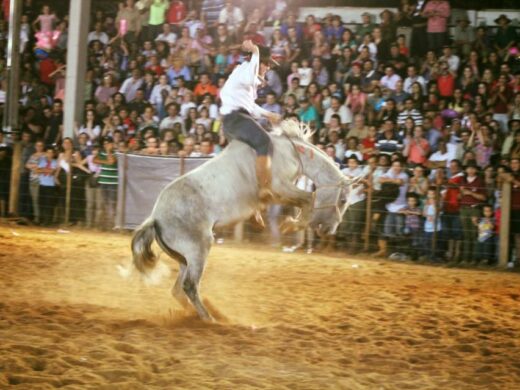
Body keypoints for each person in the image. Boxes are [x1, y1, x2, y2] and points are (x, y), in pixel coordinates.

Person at [220, 40, 281, 202]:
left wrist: (268, 114)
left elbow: (250, 107)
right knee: (265, 142)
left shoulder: (246, 76)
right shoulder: (244, 70)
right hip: (236, 119)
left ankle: (251, 204)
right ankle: (264, 189)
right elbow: (249, 78)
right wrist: (255, 52)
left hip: (234, 120)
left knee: (248, 157)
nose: (268, 68)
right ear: (259, 62)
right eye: (266, 64)